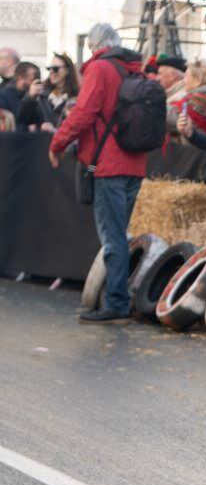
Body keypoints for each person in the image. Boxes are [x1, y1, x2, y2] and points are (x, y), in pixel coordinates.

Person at [49, 23, 152, 323]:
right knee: (119, 233)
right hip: (135, 163)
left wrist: (57, 143)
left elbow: (83, 113)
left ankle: (116, 302)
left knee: (113, 237)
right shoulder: (135, 70)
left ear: (95, 45)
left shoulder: (100, 69)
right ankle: (118, 297)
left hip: (108, 164)